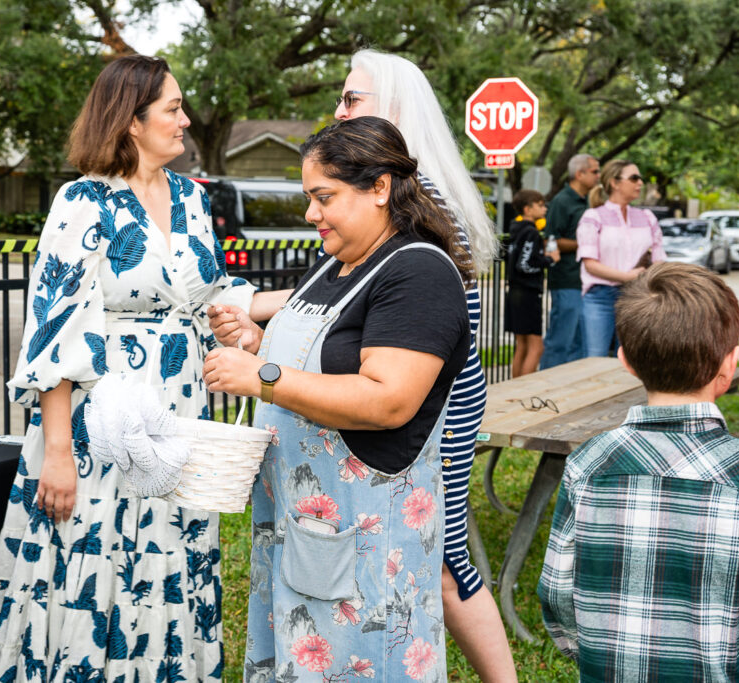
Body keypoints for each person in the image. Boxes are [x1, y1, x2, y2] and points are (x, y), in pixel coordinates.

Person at [211, 49, 515, 682]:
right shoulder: (339, 260)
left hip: (364, 542)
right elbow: (326, 356)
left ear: (380, 188)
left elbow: (388, 400)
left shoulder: (418, 270)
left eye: (323, 197)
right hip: (306, 531)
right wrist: (260, 344)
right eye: (308, 197)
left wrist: (264, 377)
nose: (310, 214)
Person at [0, 55, 256, 682]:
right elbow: (56, 331)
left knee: (171, 551)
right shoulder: (83, 201)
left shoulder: (191, 197)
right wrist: (57, 452)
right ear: (132, 121)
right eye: (173, 109)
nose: (185, 120)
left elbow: (211, 294)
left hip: (178, 413)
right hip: (99, 424)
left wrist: (263, 315)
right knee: (92, 559)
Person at [538, 262, 739, 681]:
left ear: (625, 359)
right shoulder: (738, 476)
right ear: (730, 364)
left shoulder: (587, 464)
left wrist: (590, 656)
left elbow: (557, 592)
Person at [577, 159, 665, 357]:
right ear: (614, 183)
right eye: (634, 178)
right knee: (595, 359)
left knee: (633, 359)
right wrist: (626, 277)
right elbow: (590, 264)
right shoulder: (593, 217)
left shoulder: (647, 217)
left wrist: (648, 278)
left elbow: (659, 259)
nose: (640, 182)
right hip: (600, 297)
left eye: (640, 178)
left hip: (637, 296)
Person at [540, 153, 599, 369]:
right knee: (560, 341)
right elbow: (550, 240)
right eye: (595, 171)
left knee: (579, 343)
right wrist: (586, 243)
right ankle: (547, 383)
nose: (599, 176)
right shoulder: (562, 201)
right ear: (579, 174)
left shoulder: (589, 201)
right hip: (566, 280)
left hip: (587, 281)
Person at [505, 189, 558, 377]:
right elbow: (524, 265)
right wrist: (549, 260)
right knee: (536, 347)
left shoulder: (515, 230)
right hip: (527, 294)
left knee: (522, 345)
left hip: (515, 292)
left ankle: (514, 388)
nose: (545, 208)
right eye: (540, 205)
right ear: (527, 209)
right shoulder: (531, 233)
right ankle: (526, 389)